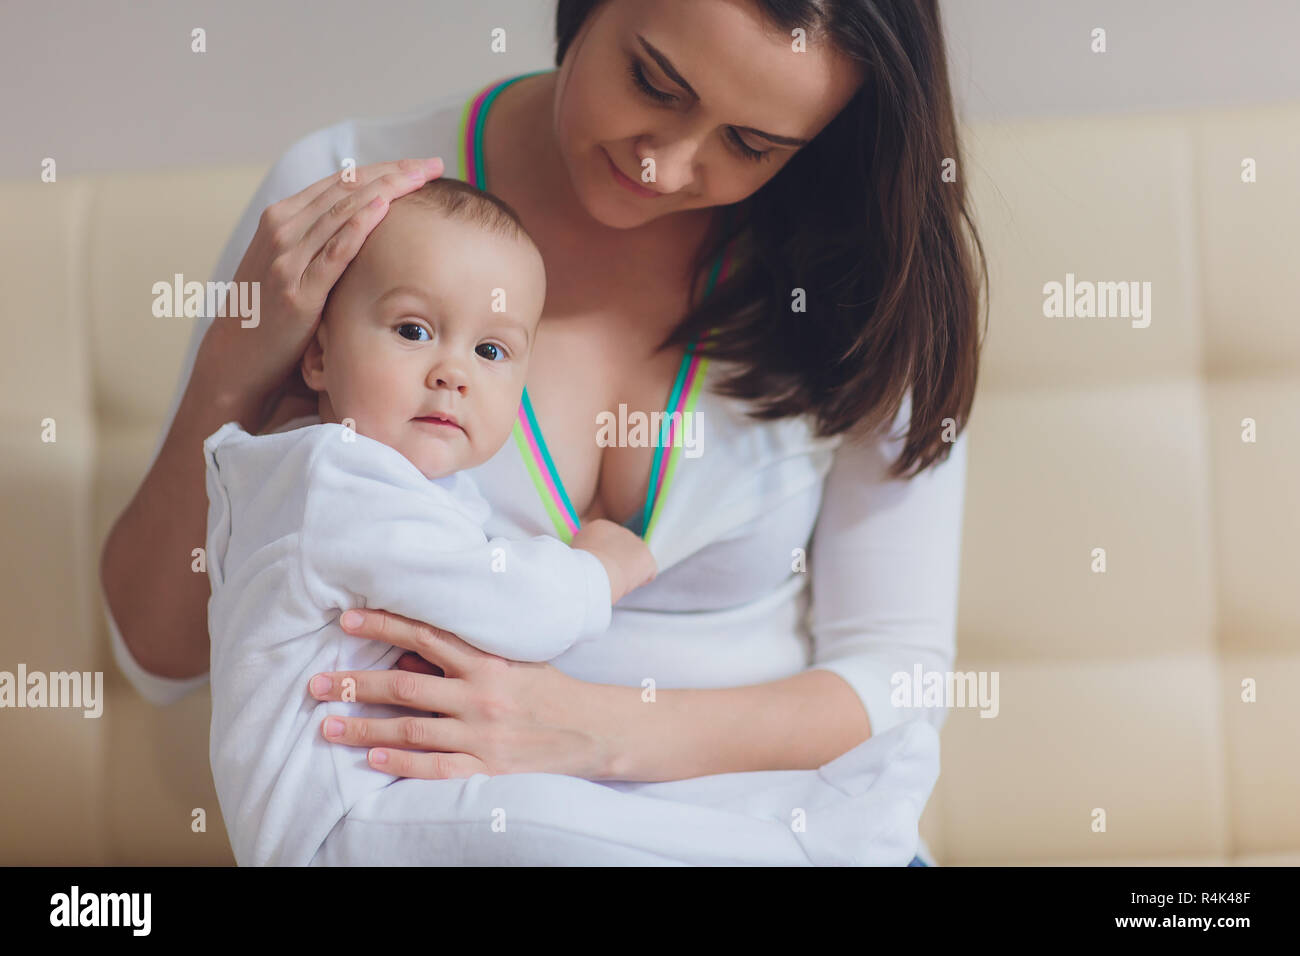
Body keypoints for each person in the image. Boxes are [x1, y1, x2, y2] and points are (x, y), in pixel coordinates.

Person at [100, 0, 985, 865]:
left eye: (751, 145)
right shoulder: (352, 196)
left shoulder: (864, 272)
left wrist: (597, 730)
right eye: (654, 80)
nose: (667, 165)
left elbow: (898, 675)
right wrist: (233, 365)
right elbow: (160, 657)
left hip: (775, 823)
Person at [205, 178, 662, 865]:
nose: (453, 372)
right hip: (346, 817)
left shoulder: (412, 491)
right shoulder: (336, 478)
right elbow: (516, 607)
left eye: (492, 351)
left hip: (379, 801)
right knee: (568, 824)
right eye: (414, 331)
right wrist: (599, 568)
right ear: (320, 355)